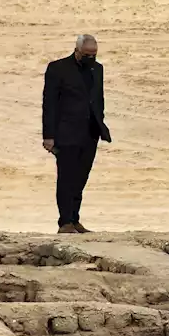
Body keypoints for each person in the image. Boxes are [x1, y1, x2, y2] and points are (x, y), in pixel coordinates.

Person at [41, 34, 111, 234]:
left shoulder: (97, 69)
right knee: (66, 178)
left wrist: (100, 123)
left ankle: (75, 218)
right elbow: (50, 104)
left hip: (90, 133)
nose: (91, 58)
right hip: (66, 133)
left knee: (81, 178)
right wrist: (49, 136)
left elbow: (98, 98)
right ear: (77, 50)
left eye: (94, 54)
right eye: (87, 54)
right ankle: (65, 222)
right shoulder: (57, 69)